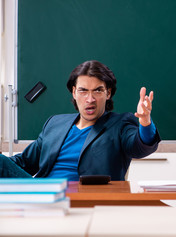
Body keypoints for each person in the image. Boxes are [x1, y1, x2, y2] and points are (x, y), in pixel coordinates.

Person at [0, 60, 161, 180]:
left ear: (108, 93)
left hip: (86, 197)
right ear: (74, 92)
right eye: (83, 91)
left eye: (98, 91)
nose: (90, 99)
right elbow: (22, 164)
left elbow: (140, 147)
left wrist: (145, 122)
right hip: (43, 192)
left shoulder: (120, 124)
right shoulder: (55, 123)